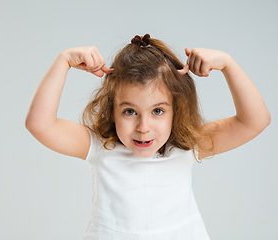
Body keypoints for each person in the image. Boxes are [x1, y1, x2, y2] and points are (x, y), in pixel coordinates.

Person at [25, 34, 270, 239]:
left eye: (158, 111)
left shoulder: (187, 147)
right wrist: (63, 61)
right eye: (130, 111)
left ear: (177, 109)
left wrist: (228, 64)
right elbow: (40, 124)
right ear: (112, 109)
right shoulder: (101, 146)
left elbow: (255, 121)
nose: (143, 126)